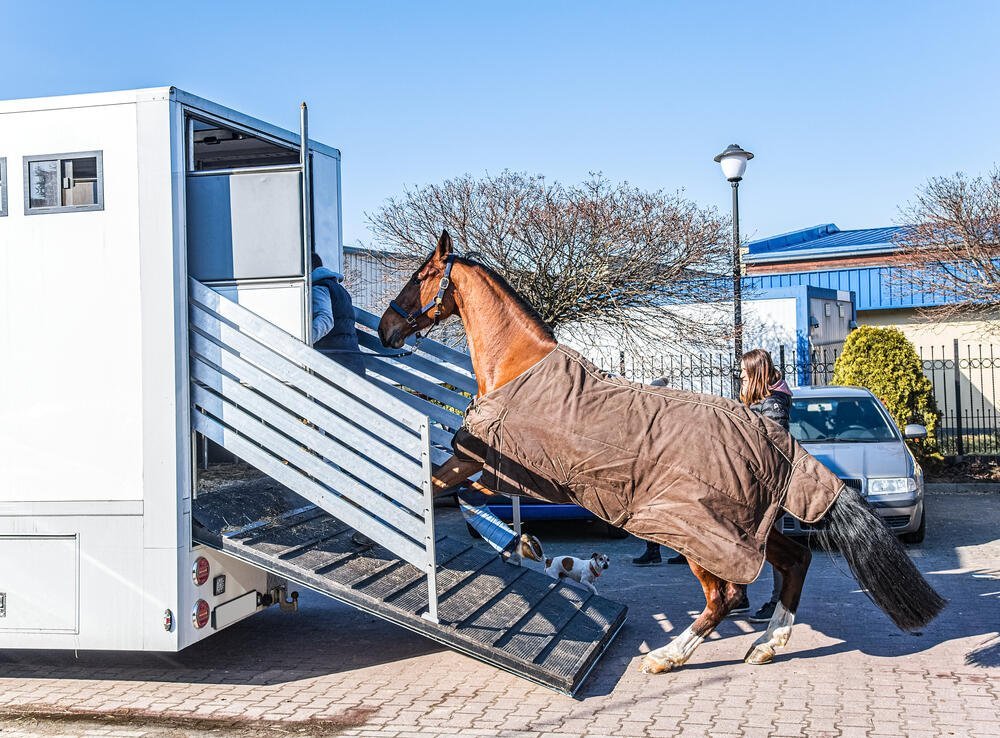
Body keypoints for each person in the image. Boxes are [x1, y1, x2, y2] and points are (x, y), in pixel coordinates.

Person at [739, 348, 793, 623]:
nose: (741, 377)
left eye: (744, 373)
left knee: (775, 544)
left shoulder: (773, 404)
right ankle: (738, 595)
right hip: (756, 485)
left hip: (769, 486)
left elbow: (772, 445)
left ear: (756, 373)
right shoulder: (761, 401)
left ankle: (779, 602)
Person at [311, 253, 366, 376]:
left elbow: (325, 320)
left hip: (334, 365)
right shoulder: (339, 289)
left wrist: (303, 341)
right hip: (351, 361)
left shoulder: (318, 288)